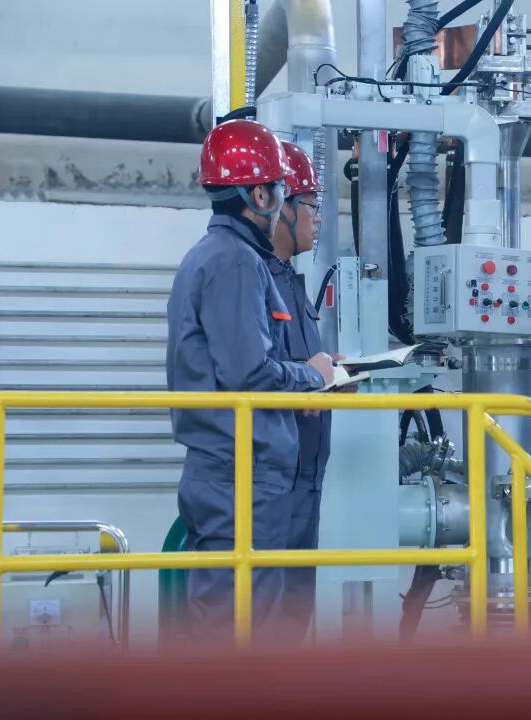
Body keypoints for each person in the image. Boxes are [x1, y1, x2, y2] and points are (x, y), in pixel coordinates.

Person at [166, 119, 334, 643]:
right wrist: (312, 377)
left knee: (244, 629)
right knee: (241, 635)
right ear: (259, 195)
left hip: (240, 474)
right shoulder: (236, 262)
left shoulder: (222, 257)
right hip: (241, 475)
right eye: (280, 190)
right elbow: (250, 374)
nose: (284, 202)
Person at [266, 140, 332, 640]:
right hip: (273, 478)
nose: (317, 217)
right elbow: (251, 372)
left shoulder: (290, 280)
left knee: (291, 621)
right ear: (281, 205)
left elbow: (299, 364)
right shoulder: (251, 277)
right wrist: (312, 379)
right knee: (263, 623)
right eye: (311, 204)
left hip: (304, 478)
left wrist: (332, 376)